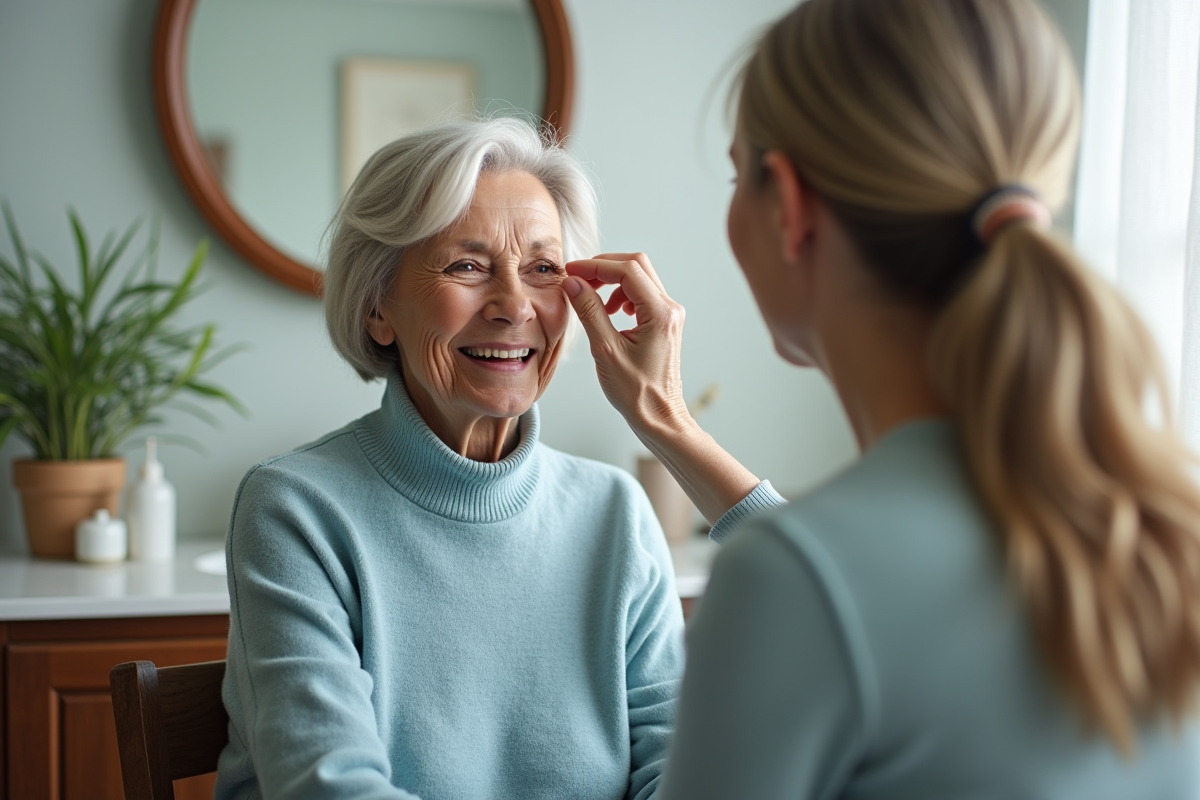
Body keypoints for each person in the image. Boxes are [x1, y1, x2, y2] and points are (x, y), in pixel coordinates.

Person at [561, 0, 1200, 797]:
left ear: (788, 206)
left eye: (738, 176)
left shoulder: (790, 589)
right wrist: (670, 424)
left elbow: (837, 598)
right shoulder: (1160, 527)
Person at [214, 118, 710, 800]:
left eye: (542, 269)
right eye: (467, 266)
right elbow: (331, 789)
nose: (514, 306)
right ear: (378, 307)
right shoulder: (295, 509)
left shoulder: (616, 513)